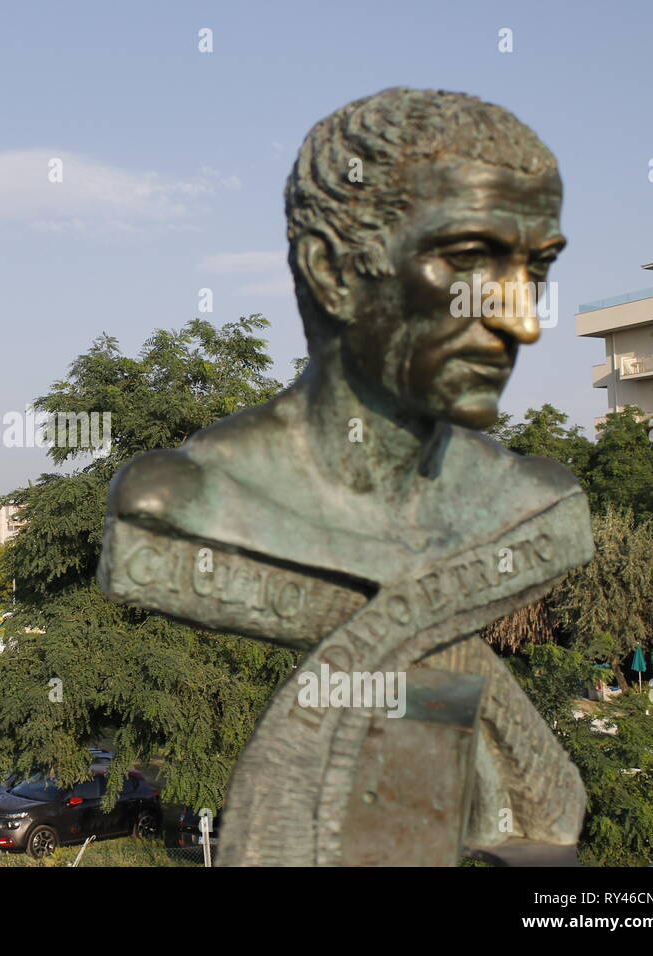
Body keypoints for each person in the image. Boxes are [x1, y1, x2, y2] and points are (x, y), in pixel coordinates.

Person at [99, 87, 593, 863]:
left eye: (537, 268)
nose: (522, 319)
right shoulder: (181, 508)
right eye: (467, 260)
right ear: (332, 271)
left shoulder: (536, 508)